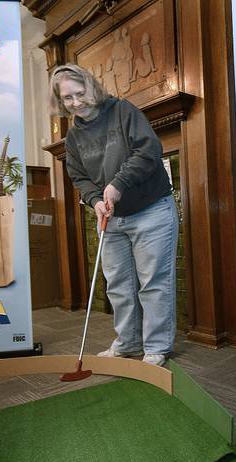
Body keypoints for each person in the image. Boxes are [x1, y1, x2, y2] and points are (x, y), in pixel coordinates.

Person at [49, 63, 178, 367]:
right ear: (60, 101)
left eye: (80, 93)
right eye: (67, 98)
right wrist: (94, 200)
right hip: (111, 218)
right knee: (117, 285)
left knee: (154, 282)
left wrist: (118, 184)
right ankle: (127, 342)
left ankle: (156, 347)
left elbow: (148, 150)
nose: (76, 102)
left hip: (151, 210)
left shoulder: (122, 111)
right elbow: (79, 176)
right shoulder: (73, 138)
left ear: (91, 87)